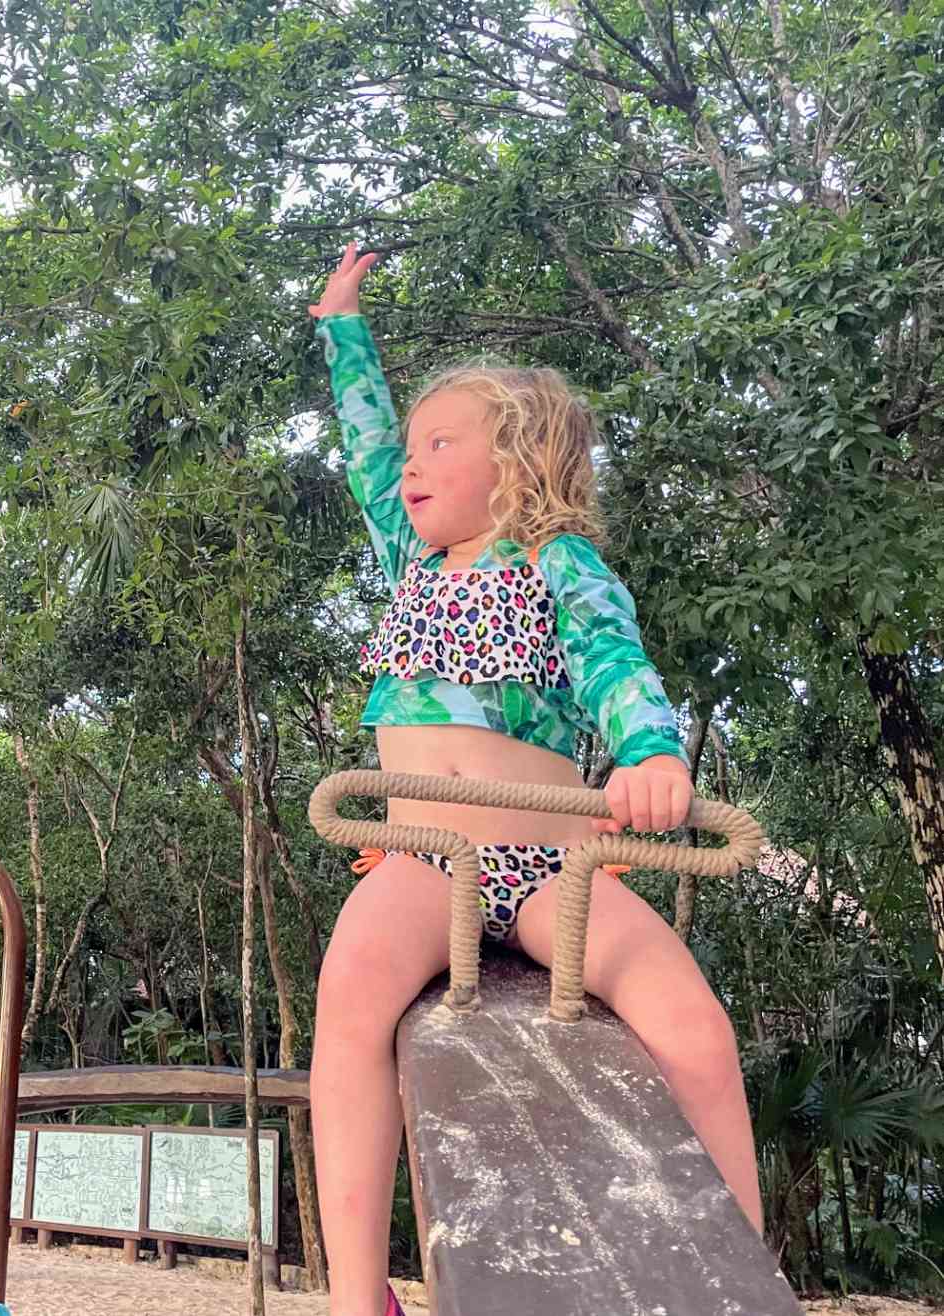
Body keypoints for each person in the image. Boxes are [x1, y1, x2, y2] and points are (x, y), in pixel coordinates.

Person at [305, 244, 760, 1316]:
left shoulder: (559, 562)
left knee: (693, 1022)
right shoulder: (411, 561)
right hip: (428, 857)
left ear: (515, 464)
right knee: (350, 993)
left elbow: (615, 661)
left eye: (441, 443)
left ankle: (736, 1273)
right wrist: (341, 324)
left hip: (552, 857)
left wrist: (651, 753)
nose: (410, 464)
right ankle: (358, 1289)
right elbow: (366, 442)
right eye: (412, 448)